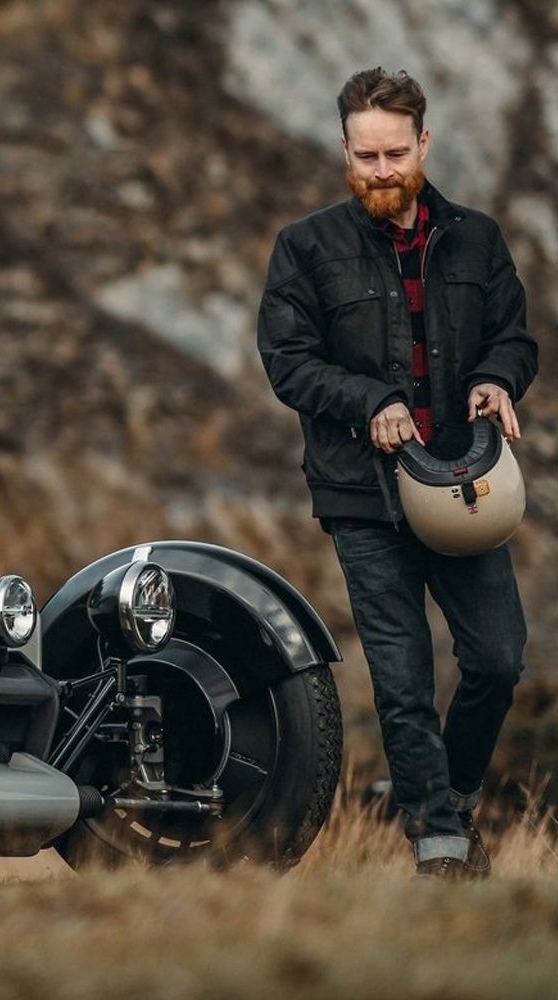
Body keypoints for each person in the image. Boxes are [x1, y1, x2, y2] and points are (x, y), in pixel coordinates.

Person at [257, 68, 537, 879]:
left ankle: (438, 792)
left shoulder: (478, 239)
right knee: (403, 674)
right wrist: (368, 399)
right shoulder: (304, 247)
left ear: (425, 142)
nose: (381, 171)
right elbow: (287, 363)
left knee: (497, 659)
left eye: (395, 154)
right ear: (344, 149)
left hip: (466, 485)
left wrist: (497, 379)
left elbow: (514, 339)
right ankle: (439, 837)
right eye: (364, 155)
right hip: (361, 493)